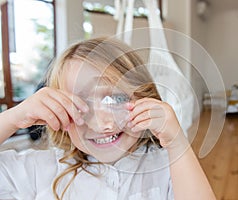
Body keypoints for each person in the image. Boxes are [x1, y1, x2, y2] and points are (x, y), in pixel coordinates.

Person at [0, 37, 216, 200]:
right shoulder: (40, 170)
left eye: (117, 98)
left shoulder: (167, 167)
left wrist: (177, 142)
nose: (104, 124)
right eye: (80, 104)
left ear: (145, 97)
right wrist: (14, 117)